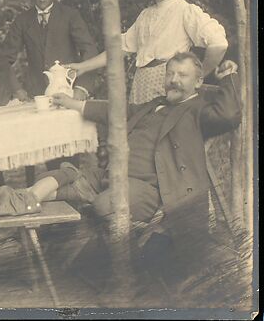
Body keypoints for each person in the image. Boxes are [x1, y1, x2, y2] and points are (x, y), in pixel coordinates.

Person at [42, 53, 240, 246]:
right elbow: (116, 110)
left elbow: (228, 115)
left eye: (182, 75)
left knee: (104, 205)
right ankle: (74, 208)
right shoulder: (155, 104)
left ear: (197, 82)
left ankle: (113, 257)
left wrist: (228, 78)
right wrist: (72, 103)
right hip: (113, 177)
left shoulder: (198, 111)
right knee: (46, 182)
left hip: (151, 189)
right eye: (170, 74)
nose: (173, 80)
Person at [66, 0, 228, 105]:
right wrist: (82, 67)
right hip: (140, 83)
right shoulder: (145, 15)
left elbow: (219, 44)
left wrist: (197, 77)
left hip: (168, 82)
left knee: (161, 132)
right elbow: (118, 49)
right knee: (138, 131)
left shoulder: (185, 11)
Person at [0, 0, 99, 101]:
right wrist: (17, 89)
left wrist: (81, 88)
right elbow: (3, 59)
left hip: (68, 91)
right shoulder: (22, 20)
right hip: (35, 94)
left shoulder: (70, 16)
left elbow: (90, 51)